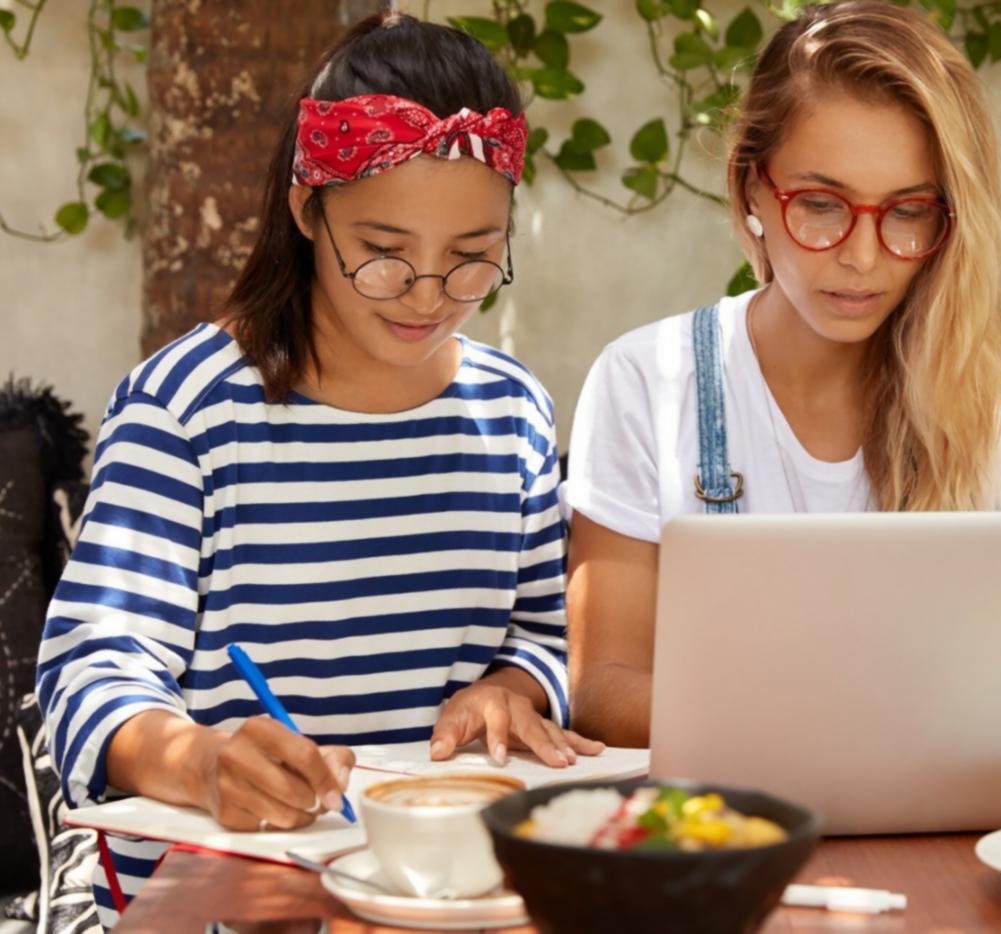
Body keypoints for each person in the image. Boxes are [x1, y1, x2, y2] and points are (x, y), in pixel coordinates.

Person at [35, 12, 599, 925]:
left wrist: (514, 687)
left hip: (441, 894)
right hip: (222, 895)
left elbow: (546, 635)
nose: (427, 296)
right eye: (382, 254)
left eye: (472, 260)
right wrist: (202, 762)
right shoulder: (188, 410)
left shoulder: (513, 414)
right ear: (306, 209)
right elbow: (89, 675)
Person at [564, 0, 1001, 748]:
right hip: (735, 814)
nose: (861, 256)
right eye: (821, 204)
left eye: (907, 211)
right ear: (751, 188)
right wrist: (843, 714)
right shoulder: (645, 381)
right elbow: (602, 689)